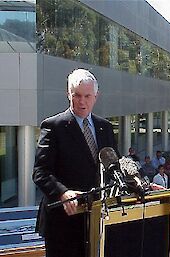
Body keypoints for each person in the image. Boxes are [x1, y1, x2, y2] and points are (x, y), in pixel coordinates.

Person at [32, 69, 118, 257]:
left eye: (87, 96)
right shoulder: (53, 126)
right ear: (68, 94)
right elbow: (40, 172)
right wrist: (63, 193)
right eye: (76, 95)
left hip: (97, 220)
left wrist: (139, 183)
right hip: (63, 223)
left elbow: (115, 167)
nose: (82, 101)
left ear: (96, 96)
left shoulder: (105, 128)